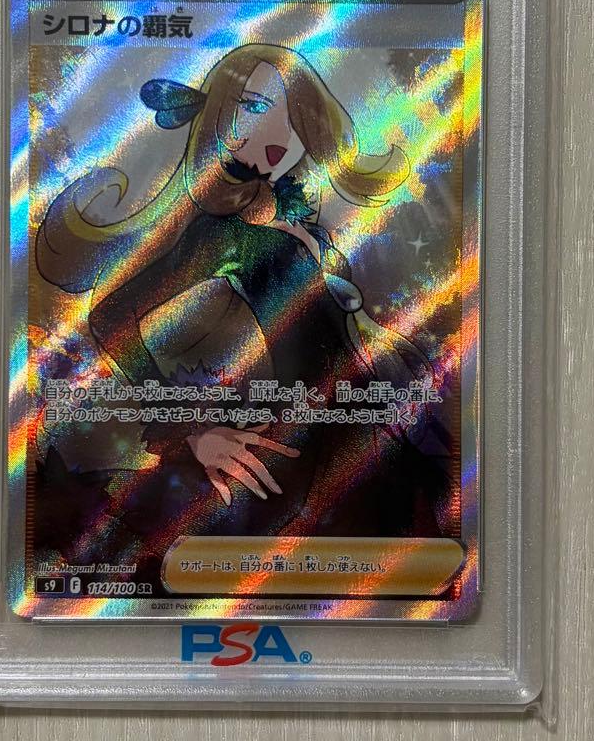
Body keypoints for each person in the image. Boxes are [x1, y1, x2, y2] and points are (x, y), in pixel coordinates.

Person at [34, 44, 452, 572]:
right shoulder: (220, 233)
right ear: (218, 115)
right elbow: (113, 316)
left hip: (354, 432)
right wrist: (190, 429)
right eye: (254, 106)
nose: (277, 132)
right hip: (287, 452)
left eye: (291, 113)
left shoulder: (300, 223)